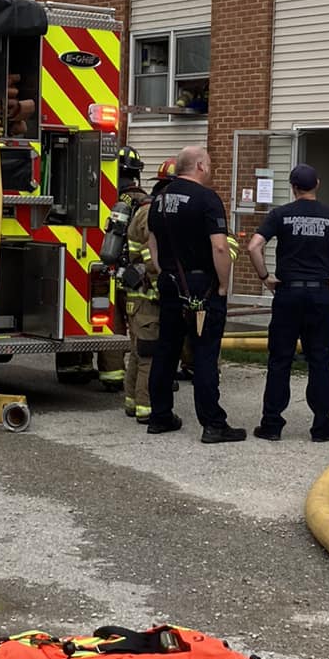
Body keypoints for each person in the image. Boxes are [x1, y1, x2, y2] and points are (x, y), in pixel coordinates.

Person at [247, 165, 329, 441]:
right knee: (320, 361)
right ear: (318, 184)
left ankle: (272, 424)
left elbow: (254, 246)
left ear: (293, 187)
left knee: (280, 360)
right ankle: (322, 426)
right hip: (320, 295)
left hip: (288, 294)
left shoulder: (280, 214)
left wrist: (265, 277)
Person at [146, 145, 243, 443]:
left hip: (171, 283)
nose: (211, 168)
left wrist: (165, 271)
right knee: (204, 353)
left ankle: (160, 416)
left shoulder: (159, 198)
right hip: (202, 286)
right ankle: (213, 424)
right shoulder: (207, 199)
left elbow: (152, 240)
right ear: (199, 165)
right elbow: (219, 246)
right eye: (210, 163)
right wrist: (224, 285)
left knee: (166, 349)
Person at [101, 148, 149, 412]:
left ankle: (111, 374)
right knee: (139, 327)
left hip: (110, 269)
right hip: (136, 274)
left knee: (113, 323)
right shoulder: (144, 202)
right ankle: (132, 381)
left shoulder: (108, 196)